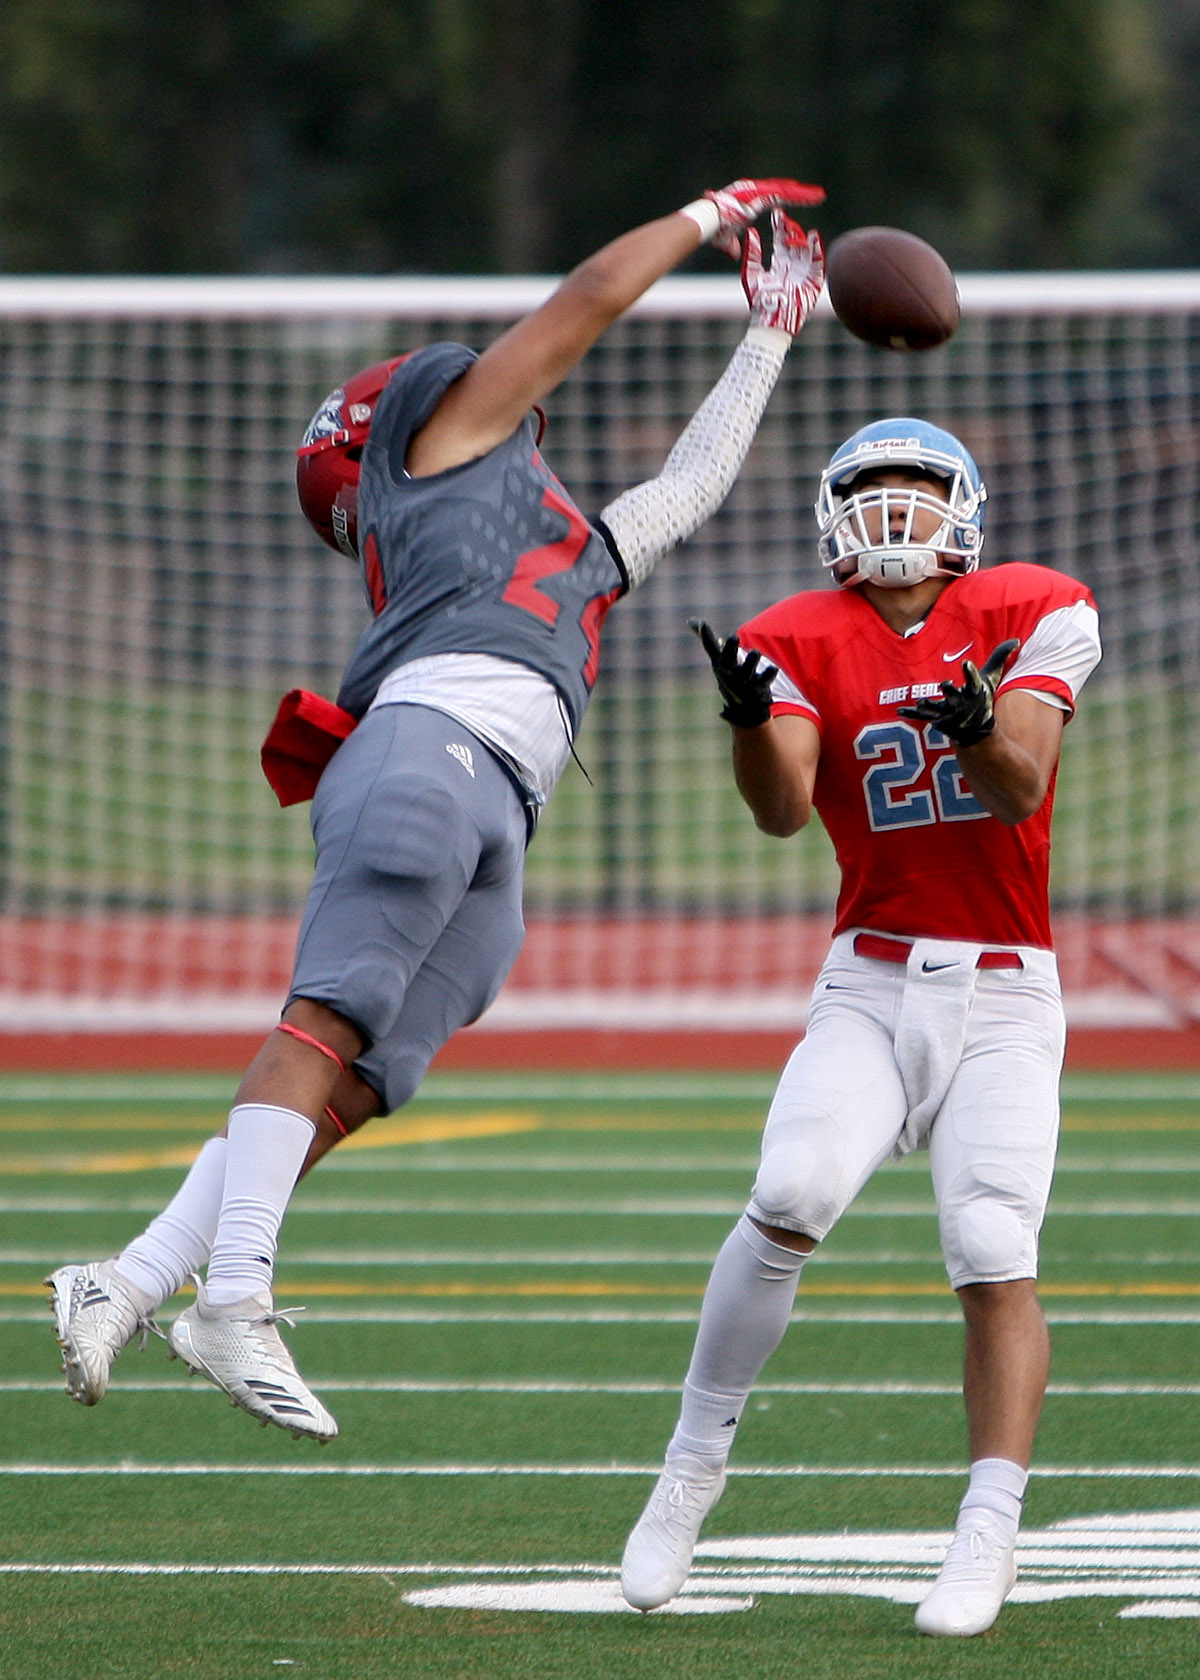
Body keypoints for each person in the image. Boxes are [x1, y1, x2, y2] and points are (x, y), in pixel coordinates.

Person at [46, 177, 827, 1446]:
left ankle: (128, 1281)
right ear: (393, 439)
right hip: (430, 747)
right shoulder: (440, 453)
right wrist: (711, 214)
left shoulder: (547, 524)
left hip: (500, 803)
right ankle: (231, 1299)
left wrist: (770, 332)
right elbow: (585, 301)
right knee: (325, 1017)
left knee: (367, 1072)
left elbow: (687, 489)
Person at [620, 418, 1101, 1637]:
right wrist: (746, 721)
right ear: (833, 512)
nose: (893, 510)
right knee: (789, 1193)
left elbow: (1020, 785)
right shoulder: (793, 634)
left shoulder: (1035, 606)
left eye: (914, 488)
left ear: (966, 509)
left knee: (994, 1250)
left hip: (1003, 983)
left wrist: (973, 720)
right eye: (870, 488)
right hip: (872, 977)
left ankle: (988, 1533)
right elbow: (784, 809)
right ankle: (689, 1471)